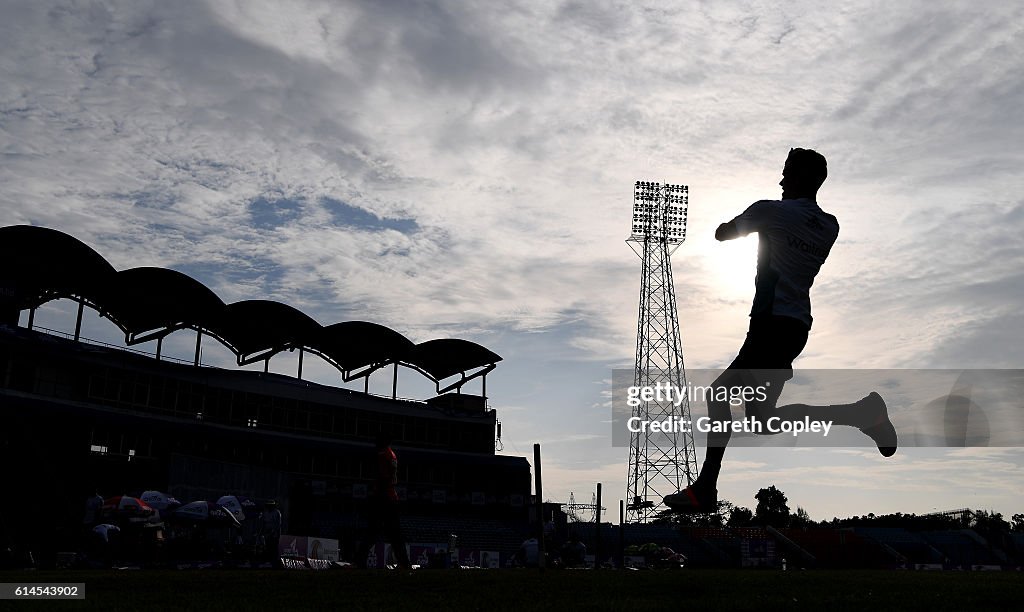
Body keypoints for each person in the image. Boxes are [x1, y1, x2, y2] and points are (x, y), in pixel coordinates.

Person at [665, 148, 898, 513]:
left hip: (770, 326)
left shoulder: (768, 211)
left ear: (805, 177)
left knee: (718, 395)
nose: (781, 180)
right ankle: (860, 414)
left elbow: (721, 234)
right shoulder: (829, 226)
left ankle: (705, 488)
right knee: (760, 421)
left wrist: (756, 224)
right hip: (794, 327)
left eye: (788, 173)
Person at [355, 432, 411, 569]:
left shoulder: (382, 455)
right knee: (394, 533)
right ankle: (404, 563)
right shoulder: (391, 454)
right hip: (390, 498)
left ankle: (359, 561)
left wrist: (376, 496)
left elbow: (383, 478)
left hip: (383, 498)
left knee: (372, 531)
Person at [258, 500, 282, 565]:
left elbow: (278, 524)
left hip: (274, 533)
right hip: (267, 532)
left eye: (271, 505)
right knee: (267, 546)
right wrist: (261, 532)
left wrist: (274, 531)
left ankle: (274, 561)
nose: (269, 507)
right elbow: (263, 523)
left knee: (274, 547)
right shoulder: (265, 513)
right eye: (269, 505)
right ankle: (268, 560)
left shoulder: (277, 512)